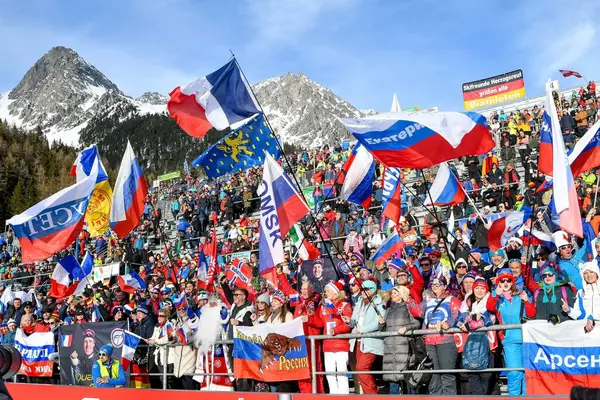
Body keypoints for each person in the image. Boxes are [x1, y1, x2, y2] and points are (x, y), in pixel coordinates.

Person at [487, 268, 535, 395]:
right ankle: (514, 397)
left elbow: (531, 314)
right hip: (509, 340)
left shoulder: (520, 295)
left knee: (527, 373)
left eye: (508, 280)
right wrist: (495, 294)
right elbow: (490, 307)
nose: (505, 283)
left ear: (512, 282)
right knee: (514, 373)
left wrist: (527, 301)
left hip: (526, 338)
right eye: (502, 281)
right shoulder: (497, 298)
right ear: (498, 283)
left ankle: (526, 397)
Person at [418, 274, 460, 395]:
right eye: (433, 284)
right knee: (433, 375)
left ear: (445, 286)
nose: (435, 286)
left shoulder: (451, 299)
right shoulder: (427, 300)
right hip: (429, 341)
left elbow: (461, 314)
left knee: (447, 374)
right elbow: (417, 311)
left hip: (446, 341)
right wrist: (407, 299)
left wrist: (449, 323)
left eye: (438, 284)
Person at [456, 277, 495, 395]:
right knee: (472, 374)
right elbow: (458, 320)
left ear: (486, 290)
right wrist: (467, 321)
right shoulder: (468, 303)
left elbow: (489, 319)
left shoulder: (490, 302)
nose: (479, 291)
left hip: (488, 343)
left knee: (486, 375)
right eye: (477, 288)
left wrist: (470, 325)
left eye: (482, 288)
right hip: (471, 344)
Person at [346, 280, 386, 394]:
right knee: (360, 370)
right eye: (362, 289)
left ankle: (372, 394)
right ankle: (368, 394)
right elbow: (354, 319)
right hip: (357, 341)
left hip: (370, 340)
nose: (363, 291)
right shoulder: (359, 302)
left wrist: (362, 330)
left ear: (373, 290)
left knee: (362, 368)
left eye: (367, 289)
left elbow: (379, 323)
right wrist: (349, 321)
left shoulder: (379, 302)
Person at [381, 285, 420, 395]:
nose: (392, 295)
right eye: (392, 293)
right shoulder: (388, 311)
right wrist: (381, 323)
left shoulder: (408, 308)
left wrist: (406, 328)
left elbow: (417, 323)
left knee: (408, 380)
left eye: (396, 293)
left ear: (402, 294)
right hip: (389, 348)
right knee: (392, 381)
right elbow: (383, 329)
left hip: (404, 348)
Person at [320, 281, 352, 394]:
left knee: (342, 372)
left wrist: (336, 330)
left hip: (340, 343)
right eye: (325, 291)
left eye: (328, 291)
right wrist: (308, 319)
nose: (326, 293)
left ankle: (344, 395)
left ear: (335, 292)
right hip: (328, 344)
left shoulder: (344, 305)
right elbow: (319, 323)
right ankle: (333, 394)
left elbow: (348, 324)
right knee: (330, 372)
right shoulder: (324, 306)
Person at [566, 260, 600, 332]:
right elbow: (580, 315)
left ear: (597, 273)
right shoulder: (580, 293)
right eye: (585, 273)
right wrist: (569, 310)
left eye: (591, 272)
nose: (588, 275)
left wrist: (592, 317)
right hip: (586, 331)